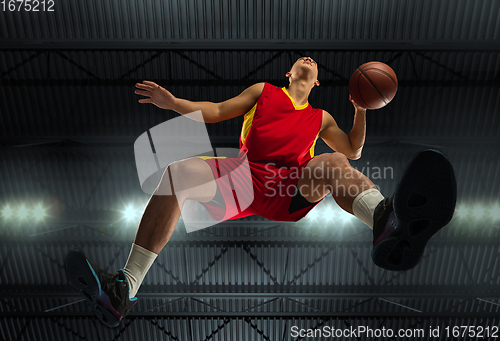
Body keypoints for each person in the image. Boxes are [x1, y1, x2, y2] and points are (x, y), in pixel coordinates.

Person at [65, 57, 457, 327]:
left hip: (291, 186)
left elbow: (353, 149)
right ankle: (124, 289)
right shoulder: (264, 92)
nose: (307, 60)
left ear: (317, 81)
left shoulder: (320, 117)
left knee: (333, 163)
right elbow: (216, 110)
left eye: (313, 63)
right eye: (300, 60)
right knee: (176, 173)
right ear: (289, 74)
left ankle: (385, 220)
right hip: (244, 179)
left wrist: (361, 109)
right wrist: (172, 103)